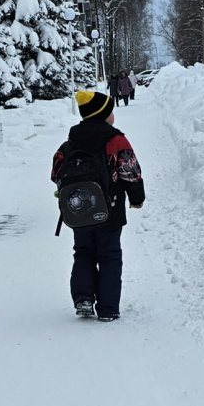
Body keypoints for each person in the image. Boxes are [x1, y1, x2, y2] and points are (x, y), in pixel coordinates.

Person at [50, 90, 145, 322]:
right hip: (109, 210)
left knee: (83, 252)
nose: (113, 115)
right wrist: (136, 199)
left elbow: (56, 172)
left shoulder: (70, 142)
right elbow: (130, 172)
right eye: (110, 111)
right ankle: (108, 308)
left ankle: (83, 298)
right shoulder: (116, 140)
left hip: (79, 212)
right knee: (110, 254)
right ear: (102, 115)